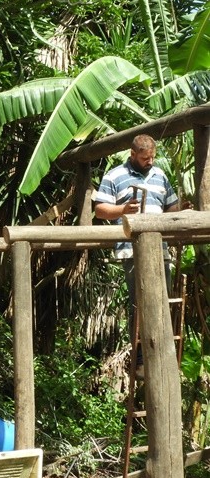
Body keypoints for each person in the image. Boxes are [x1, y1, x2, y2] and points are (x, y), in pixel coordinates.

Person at [94, 134, 183, 375]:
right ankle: (142, 359)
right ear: (132, 155)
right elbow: (100, 210)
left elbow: (171, 207)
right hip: (131, 251)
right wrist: (122, 210)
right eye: (145, 158)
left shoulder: (160, 175)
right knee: (140, 301)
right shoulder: (114, 176)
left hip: (160, 249)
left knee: (162, 300)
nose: (150, 162)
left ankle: (165, 355)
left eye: (152, 157)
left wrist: (181, 213)